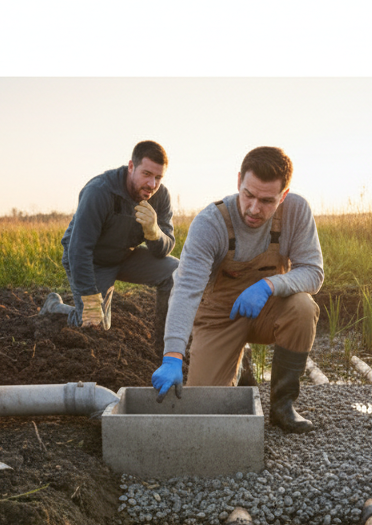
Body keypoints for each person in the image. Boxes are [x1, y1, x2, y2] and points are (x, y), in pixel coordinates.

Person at [151, 146, 323, 433]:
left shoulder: (296, 211)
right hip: (219, 316)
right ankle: (239, 365)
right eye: (249, 195)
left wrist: (269, 285)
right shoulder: (210, 223)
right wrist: (172, 355)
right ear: (239, 180)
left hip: (267, 308)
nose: (254, 209)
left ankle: (283, 408)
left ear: (283, 195)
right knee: (204, 413)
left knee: (303, 307)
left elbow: (313, 272)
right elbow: (186, 290)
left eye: (267, 201)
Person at [39, 140, 178, 351]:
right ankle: (54, 308)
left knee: (176, 272)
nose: (152, 184)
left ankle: (163, 349)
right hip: (91, 260)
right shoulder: (99, 191)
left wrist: (155, 233)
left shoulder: (161, 197)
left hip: (125, 256)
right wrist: (89, 298)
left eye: (158, 177)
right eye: (146, 174)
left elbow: (164, 249)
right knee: (95, 326)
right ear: (131, 166)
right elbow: (79, 249)